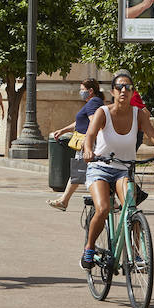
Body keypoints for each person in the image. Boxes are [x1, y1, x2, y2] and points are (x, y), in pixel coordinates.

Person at [80, 72, 154, 269]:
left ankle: (136, 255)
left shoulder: (140, 114)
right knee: (103, 208)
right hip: (100, 168)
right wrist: (88, 151)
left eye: (128, 87)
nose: (123, 91)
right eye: (119, 87)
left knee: (131, 209)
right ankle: (89, 247)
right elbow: (90, 136)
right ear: (113, 92)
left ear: (132, 92)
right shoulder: (103, 113)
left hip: (124, 170)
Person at [47, 79, 105, 211]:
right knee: (79, 173)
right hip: (88, 142)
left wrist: (88, 140)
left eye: (82, 90)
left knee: (81, 172)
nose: (80, 92)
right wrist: (63, 130)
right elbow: (79, 123)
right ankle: (64, 200)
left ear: (90, 91)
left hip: (88, 144)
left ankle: (64, 201)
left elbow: (94, 122)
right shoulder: (93, 103)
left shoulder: (93, 103)